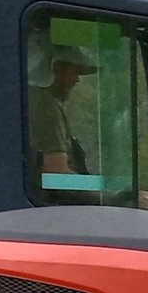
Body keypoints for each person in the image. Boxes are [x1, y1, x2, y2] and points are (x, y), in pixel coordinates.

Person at [30, 38, 99, 184]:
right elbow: (57, 174)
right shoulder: (45, 106)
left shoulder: (29, 99)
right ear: (55, 68)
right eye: (75, 71)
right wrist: (118, 196)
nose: (77, 80)